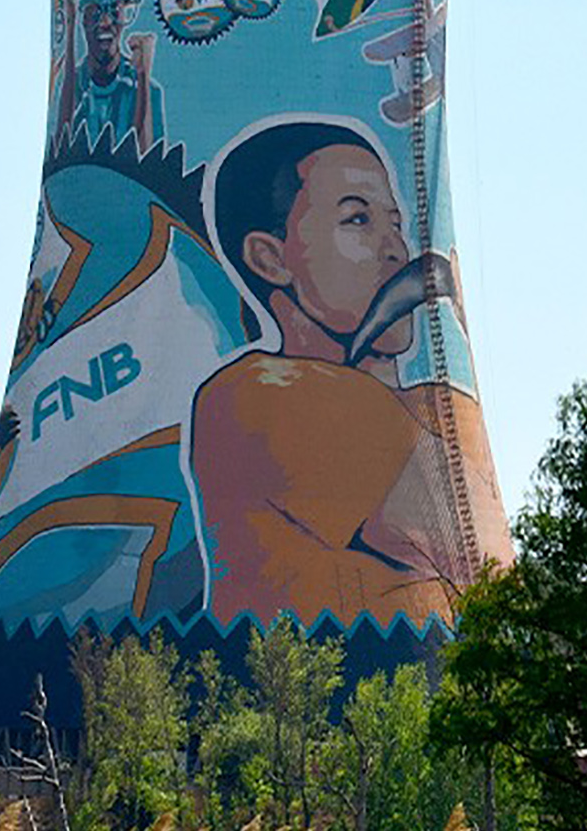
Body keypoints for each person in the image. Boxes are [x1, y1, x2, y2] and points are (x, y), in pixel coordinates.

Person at [188, 118, 510, 626]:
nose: (396, 249)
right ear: (270, 259)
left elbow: (499, 597)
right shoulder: (266, 396)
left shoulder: (437, 404)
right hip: (314, 695)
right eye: (358, 221)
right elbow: (479, 564)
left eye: (396, 224)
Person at [57, 0, 165, 149]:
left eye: (114, 11)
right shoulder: (74, 86)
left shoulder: (145, 89)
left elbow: (148, 165)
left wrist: (143, 76)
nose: (105, 22)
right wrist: (70, 27)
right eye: (94, 13)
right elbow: (62, 148)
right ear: (83, 20)